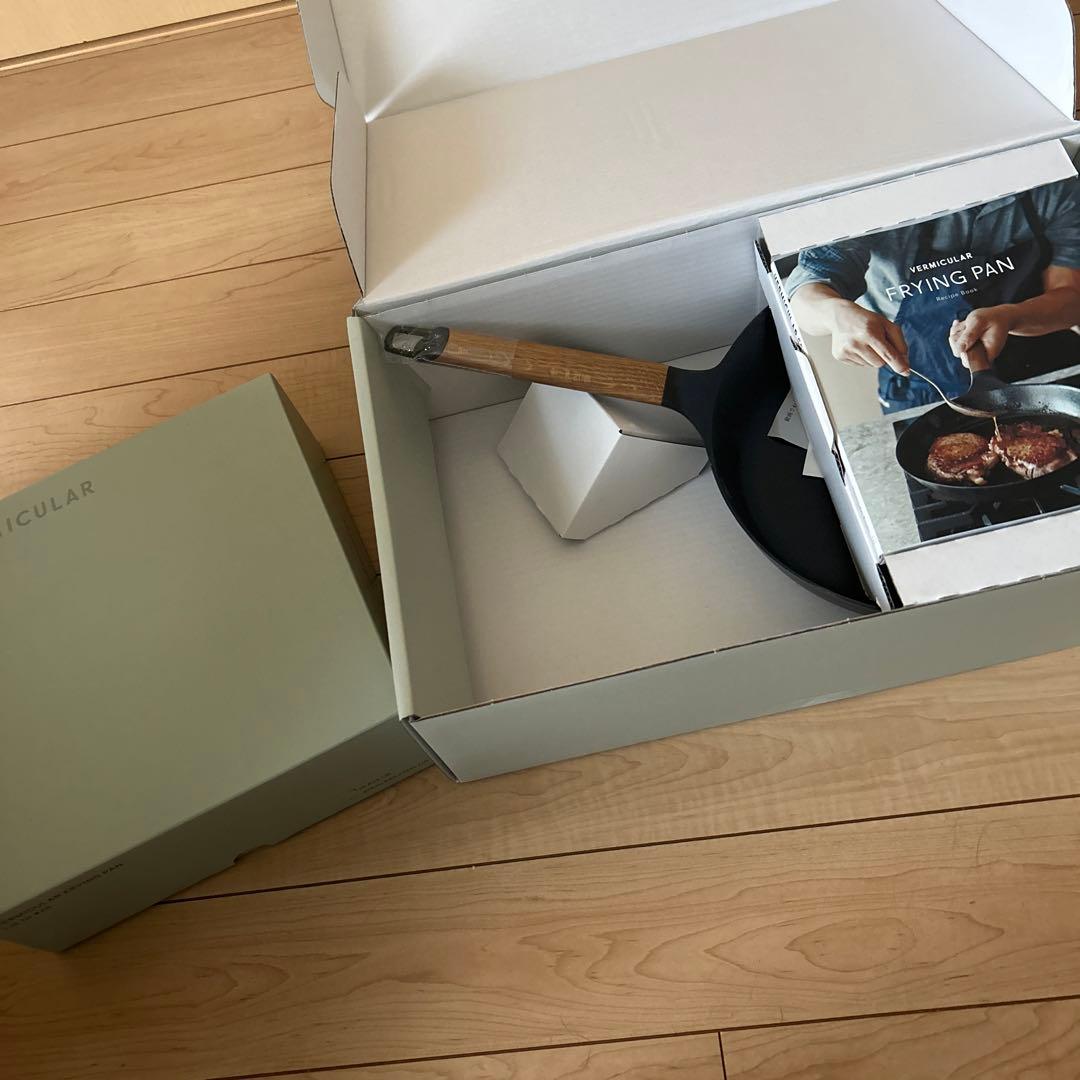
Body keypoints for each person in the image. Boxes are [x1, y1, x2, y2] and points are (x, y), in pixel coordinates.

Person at [786, 177, 1080, 413]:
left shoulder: (1050, 183)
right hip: (919, 380)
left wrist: (1012, 316)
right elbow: (805, 291)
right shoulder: (865, 197)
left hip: (1036, 362)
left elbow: (1071, 298)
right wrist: (835, 315)